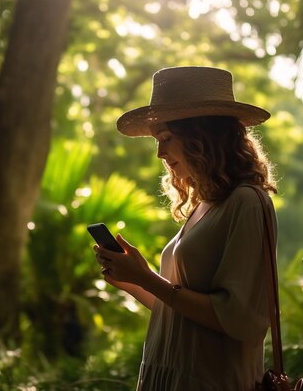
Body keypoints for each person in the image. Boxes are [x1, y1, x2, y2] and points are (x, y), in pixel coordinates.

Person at [94, 66, 278, 391]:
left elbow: (237, 318)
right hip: (171, 376)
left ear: (202, 136)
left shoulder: (247, 203)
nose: (159, 153)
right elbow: (180, 313)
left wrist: (147, 278)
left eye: (166, 139)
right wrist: (133, 282)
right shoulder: (205, 205)